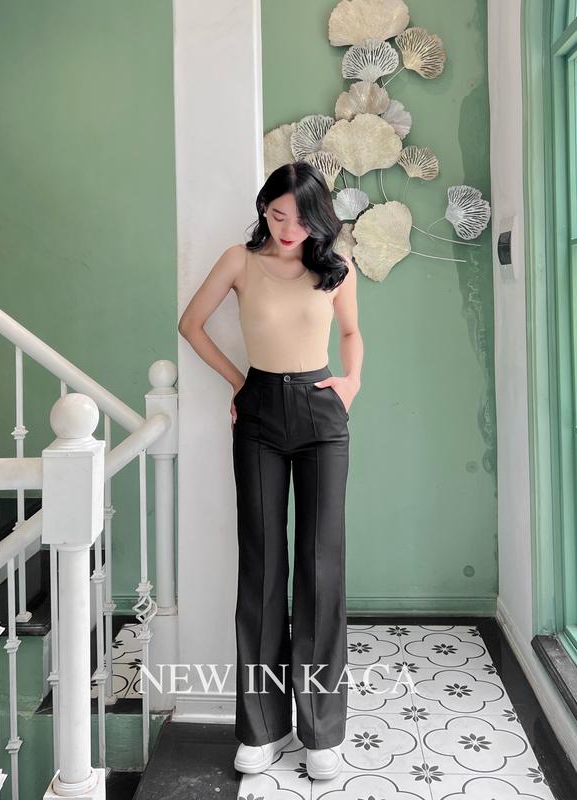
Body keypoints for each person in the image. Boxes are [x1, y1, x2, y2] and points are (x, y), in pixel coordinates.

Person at [178, 161, 363, 780]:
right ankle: (260, 729)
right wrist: (239, 383)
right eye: (278, 214)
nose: (288, 229)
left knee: (320, 566)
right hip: (258, 411)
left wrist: (351, 382)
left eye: (301, 219)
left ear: (318, 220)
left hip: (321, 412)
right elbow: (191, 325)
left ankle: (321, 732)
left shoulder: (335, 268)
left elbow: (352, 333)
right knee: (261, 566)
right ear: (264, 210)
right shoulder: (239, 260)